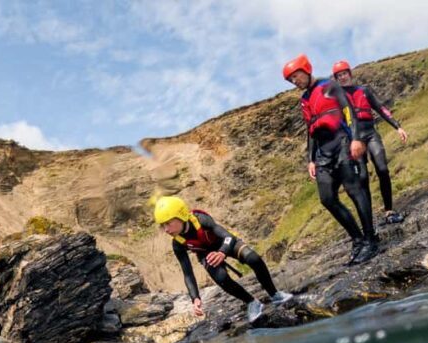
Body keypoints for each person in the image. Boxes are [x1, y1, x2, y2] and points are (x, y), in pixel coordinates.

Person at [283, 54, 379, 265]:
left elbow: (349, 112)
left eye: (296, 76)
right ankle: (358, 240)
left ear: (306, 70)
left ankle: (371, 239)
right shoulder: (304, 100)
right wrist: (310, 159)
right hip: (323, 153)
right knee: (327, 198)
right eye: (291, 80)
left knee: (355, 190)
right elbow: (310, 130)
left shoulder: (330, 86)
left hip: (343, 143)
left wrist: (355, 139)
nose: (294, 82)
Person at [153, 196, 293, 323]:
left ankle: (275, 294)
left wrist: (222, 252)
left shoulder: (201, 219)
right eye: (162, 225)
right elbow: (188, 273)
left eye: (168, 223)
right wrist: (195, 298)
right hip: (206, 255)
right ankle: (252, 302)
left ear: (181, 216)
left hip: (224, 243)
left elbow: (229, 236)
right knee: (221, 277)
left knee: (253, 258)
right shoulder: (177, 244)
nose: (166, 230)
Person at [332, 60, 408, 224]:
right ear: (337, 79)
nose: (342, 77)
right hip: (354, 138)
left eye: (344, 73)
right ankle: (369, 220)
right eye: (339, 76)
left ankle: (389, 211)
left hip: (370, 133)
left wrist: (398, 127)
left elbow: (380, 109)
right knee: (363, 178)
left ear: (349, 74)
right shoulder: (337, 97)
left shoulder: (364, 90)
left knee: (382, 169)